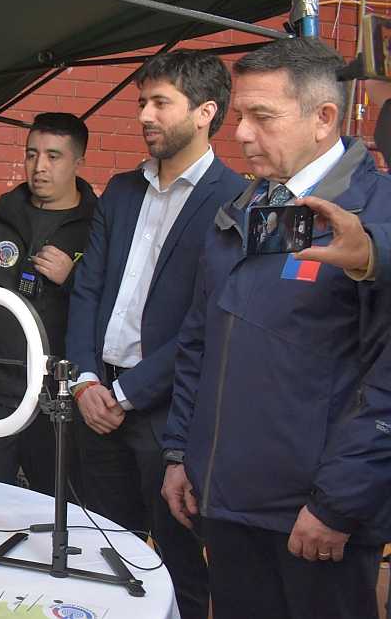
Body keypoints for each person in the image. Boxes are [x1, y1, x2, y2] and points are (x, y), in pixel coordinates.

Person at [161, 37, 391, 619]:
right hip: (226, 507)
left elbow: (385, 386)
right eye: (240, 115)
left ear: (324, 118)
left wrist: (338, 504)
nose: (240, 133)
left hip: (313, 520)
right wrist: (181, 453)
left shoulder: (374, 215)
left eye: (262, 117)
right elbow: (200, 341)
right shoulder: (244, 209)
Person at [65, 49, 246, 619]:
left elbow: (207, 323)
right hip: (95, 399)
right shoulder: (121, 190)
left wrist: (125, 395)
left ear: (204, 112)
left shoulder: (234, 200)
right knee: (98, 552)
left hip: (169, 414)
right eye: (142, 101)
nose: (144, 114)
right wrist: (86, 381)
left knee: (177, 564)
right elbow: (87, 290)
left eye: (160, 103)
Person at [0, 112, 97, 492]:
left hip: (58, 397)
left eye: (54, 156)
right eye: (32, 154)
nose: (39, 167)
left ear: (78, 160)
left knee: (56, 508)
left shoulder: (97, 226)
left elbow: (110, 307)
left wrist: (72, 278)